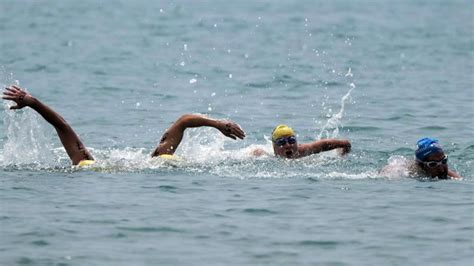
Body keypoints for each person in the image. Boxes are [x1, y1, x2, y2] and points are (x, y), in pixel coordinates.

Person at [2, 85, 245, 166]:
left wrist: (216, 124)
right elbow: (62, 126)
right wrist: (32, 103)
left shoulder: (84, 163)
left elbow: (183, 121)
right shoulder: (85, 164)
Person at [252, 124, 351, 159]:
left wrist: (342, 154)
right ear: (274, 146)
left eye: (291, 140)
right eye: (281, 142)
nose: (287, 145)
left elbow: (344, 143)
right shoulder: (264, 155)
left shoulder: (303, 150)